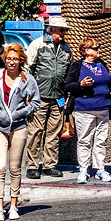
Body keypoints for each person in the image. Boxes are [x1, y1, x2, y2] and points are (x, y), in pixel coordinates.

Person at [0, 43, 40, 221]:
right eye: (9, 59)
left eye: (15, 59)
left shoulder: (27, 79)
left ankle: (14, 205)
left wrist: (18, 113)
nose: (11, 62)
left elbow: (35, 103)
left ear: (20, 60)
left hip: (19, 127)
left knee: (15, 168)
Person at [24, 17, 73, 179]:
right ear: (52, 29)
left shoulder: (66, 49)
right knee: (35, 132)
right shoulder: (38, 45)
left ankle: (49, 164)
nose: (64, 33)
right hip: (39, 96)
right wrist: (27, 93)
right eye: (62, 30)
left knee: (53, 132)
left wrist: (67, 94)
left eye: (65, 30)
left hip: (58, 96)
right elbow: (27, 69)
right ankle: (32, 165)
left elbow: (69, 73)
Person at [65, 37, 111, 183]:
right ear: (86, 51)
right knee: (84, 140)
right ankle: (83, 170)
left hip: (103, 108)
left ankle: (100, 168)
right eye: (96, 47)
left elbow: (107, 81)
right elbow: (68, 85)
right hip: (84, 108)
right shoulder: (77, 66)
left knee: (101, 140)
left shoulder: (102, 64)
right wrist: (80, 84)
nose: (98, 50)